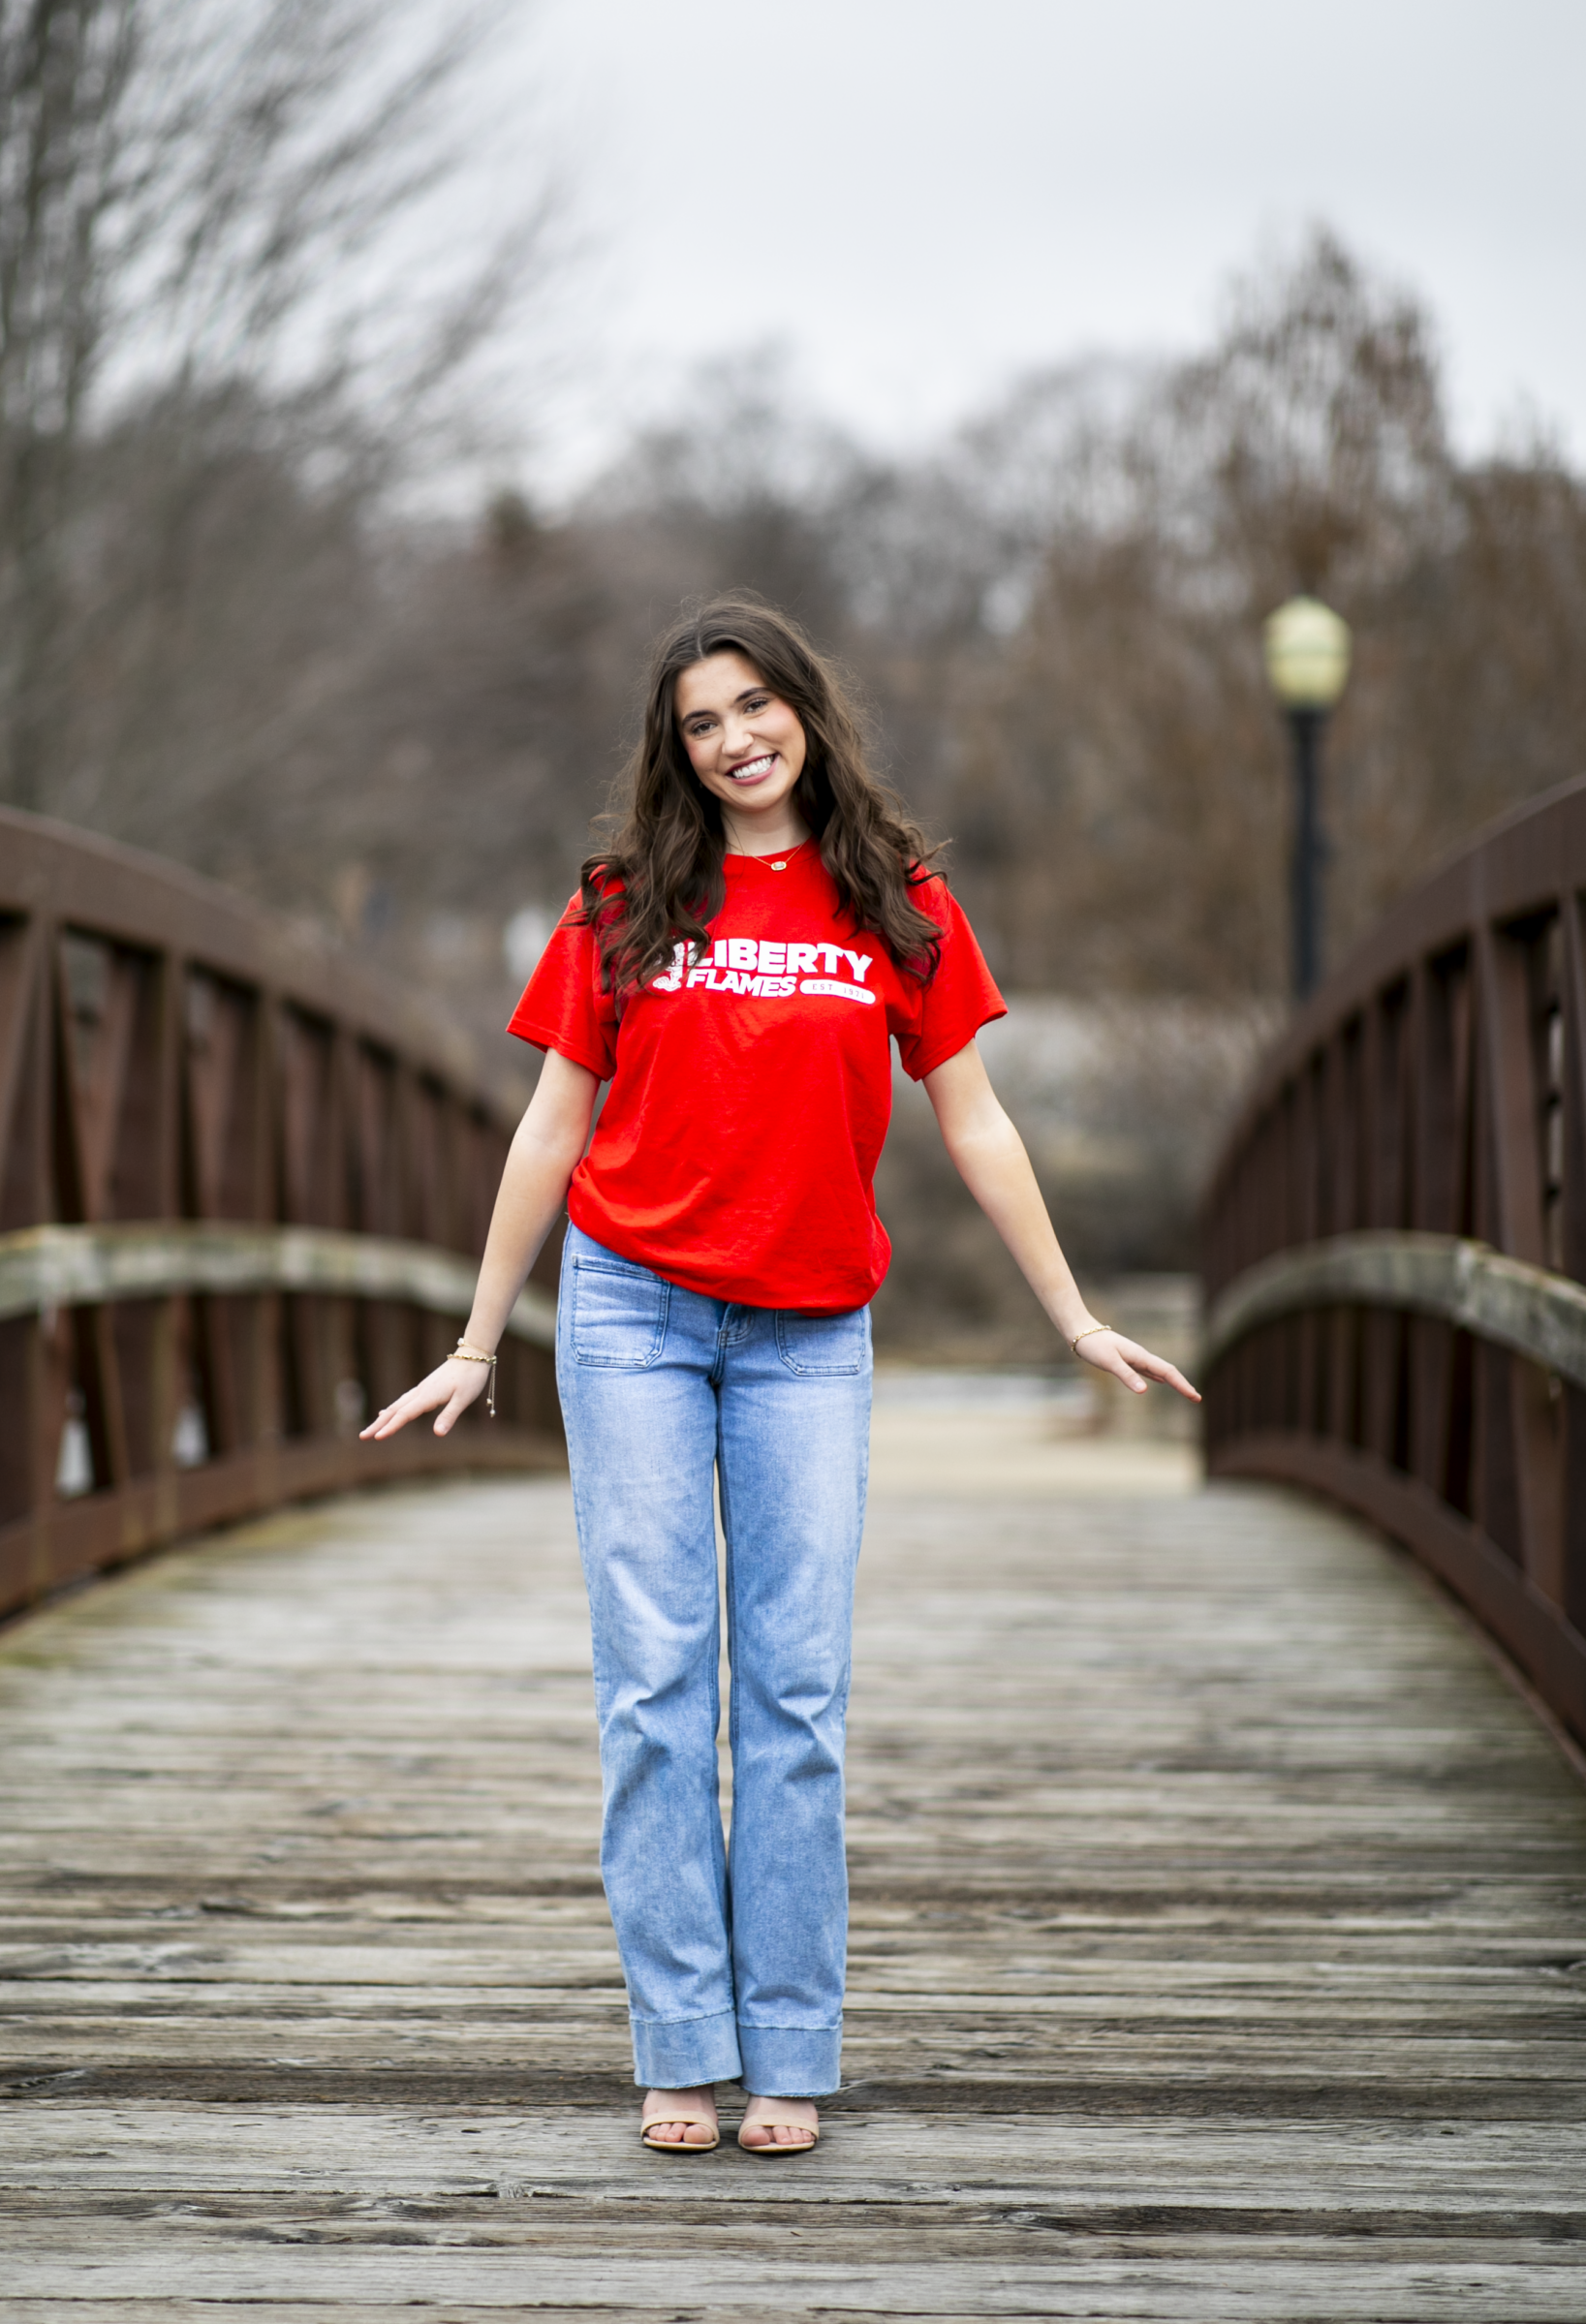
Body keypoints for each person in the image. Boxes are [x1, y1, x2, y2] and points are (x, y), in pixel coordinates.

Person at [362, 594, 1198, 2156]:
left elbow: (974, 1120)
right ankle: (681, 2043)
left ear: (804, 709)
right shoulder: (620, 905)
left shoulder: (900, 902)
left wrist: (1072, 1315)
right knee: (655, 1691)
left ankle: (792, 2048)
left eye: (755, 705)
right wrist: (478, 1340)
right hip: (631, 1312)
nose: (734, 739)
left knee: (794, 1699)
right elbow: (550, 1126)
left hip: (810, 1330)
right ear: (672, 750)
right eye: (700, 722)